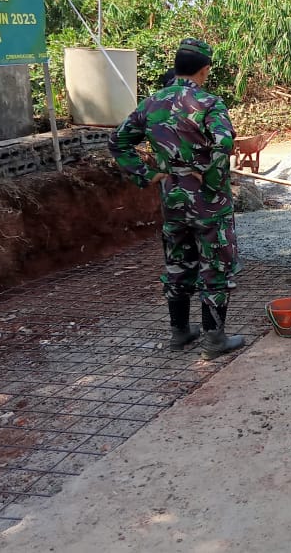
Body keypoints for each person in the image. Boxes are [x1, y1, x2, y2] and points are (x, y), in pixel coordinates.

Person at [108, 38, 244, 360]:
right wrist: (206, 173)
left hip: (173, 198)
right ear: (204, 69)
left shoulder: (152, 103)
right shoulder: (208, 103)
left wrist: (146, 174)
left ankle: (180, 332)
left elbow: (117, 142)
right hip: (210, 202)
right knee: (215, 265)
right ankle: (214, 339)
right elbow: (225, 144)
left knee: (179, 263)